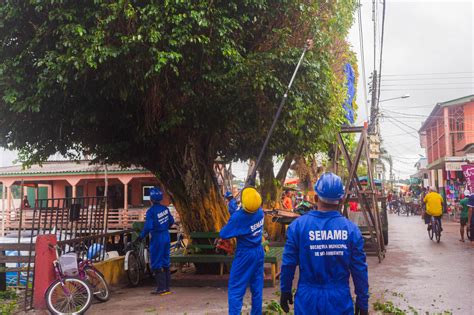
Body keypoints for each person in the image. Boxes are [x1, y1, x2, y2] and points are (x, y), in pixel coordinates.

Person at [280, 172, 369, 314]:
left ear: (315, 198)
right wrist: (362, 300)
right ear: (341, 200)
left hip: (307, 299)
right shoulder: (352, 231)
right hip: (339, 300)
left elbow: (288, 264)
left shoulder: (298, 227)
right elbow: (359, 270)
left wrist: (285, 290)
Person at [219, 187, 264, 315]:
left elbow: (224, 233)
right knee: (257, 289)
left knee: (236, 289)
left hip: (245, 254)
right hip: (258, 251)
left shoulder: (239, 217)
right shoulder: (260, 212)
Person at [138, 187, 175, 295]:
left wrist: (141, 236)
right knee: (165, 261)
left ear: (151, 199)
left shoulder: (151, 212)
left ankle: (161, 288)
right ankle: (167, 287)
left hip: (157, 237)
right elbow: (171, 221)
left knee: (156, 262)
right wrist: (164, 227)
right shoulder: (165, 209)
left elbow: (148, 226)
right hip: (166, 236)